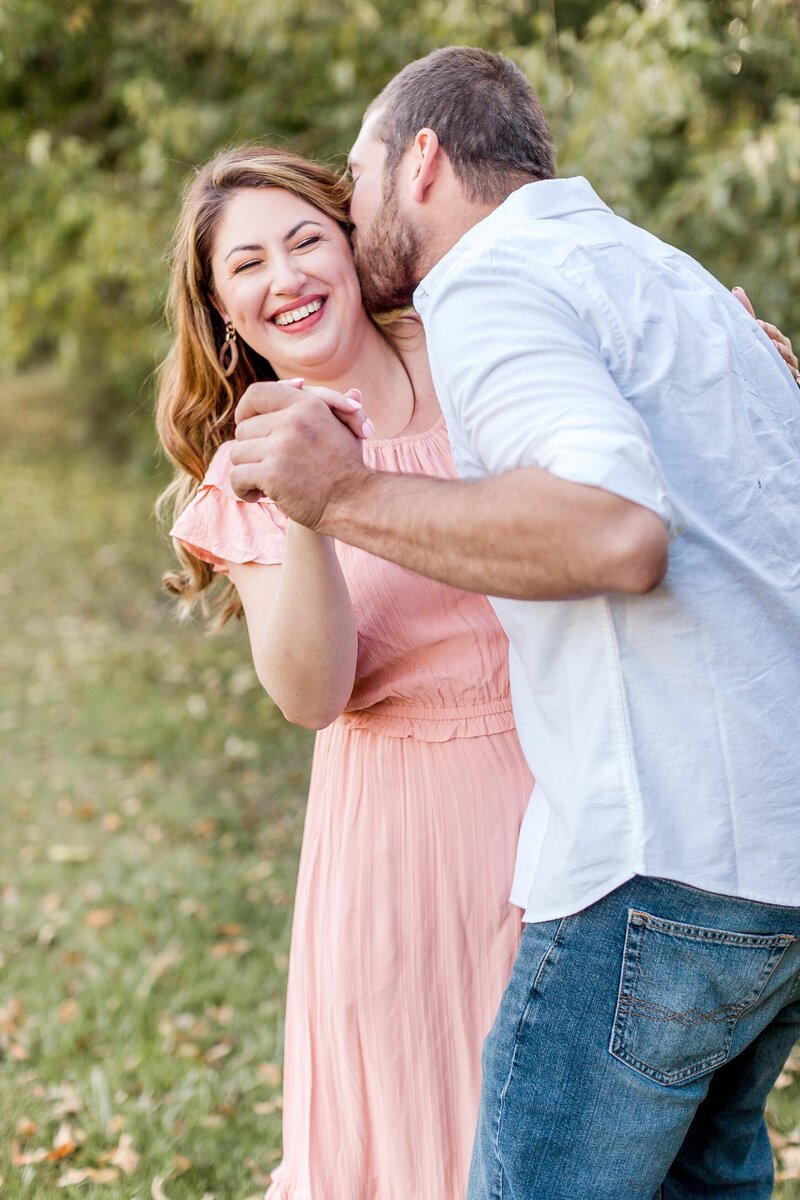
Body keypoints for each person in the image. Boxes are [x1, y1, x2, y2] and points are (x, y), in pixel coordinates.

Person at [227, 47, 800, 1200]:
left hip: (652, 866)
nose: (343, 217)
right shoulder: (665, 275)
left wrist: (339, 496)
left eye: (354, 179)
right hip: (766, 863)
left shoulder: (488, 288)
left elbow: (615, 533)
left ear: (421, 160)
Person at [155, 146, 534, 1200]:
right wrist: (309, 503)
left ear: (354, 244)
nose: (285, 277)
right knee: (420, 1147)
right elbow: (310, 694)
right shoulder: (249, 473)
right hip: (399, 853)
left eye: (305, 238)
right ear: (223, 309)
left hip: (569, 803)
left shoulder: (481, 348)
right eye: (246, 265)